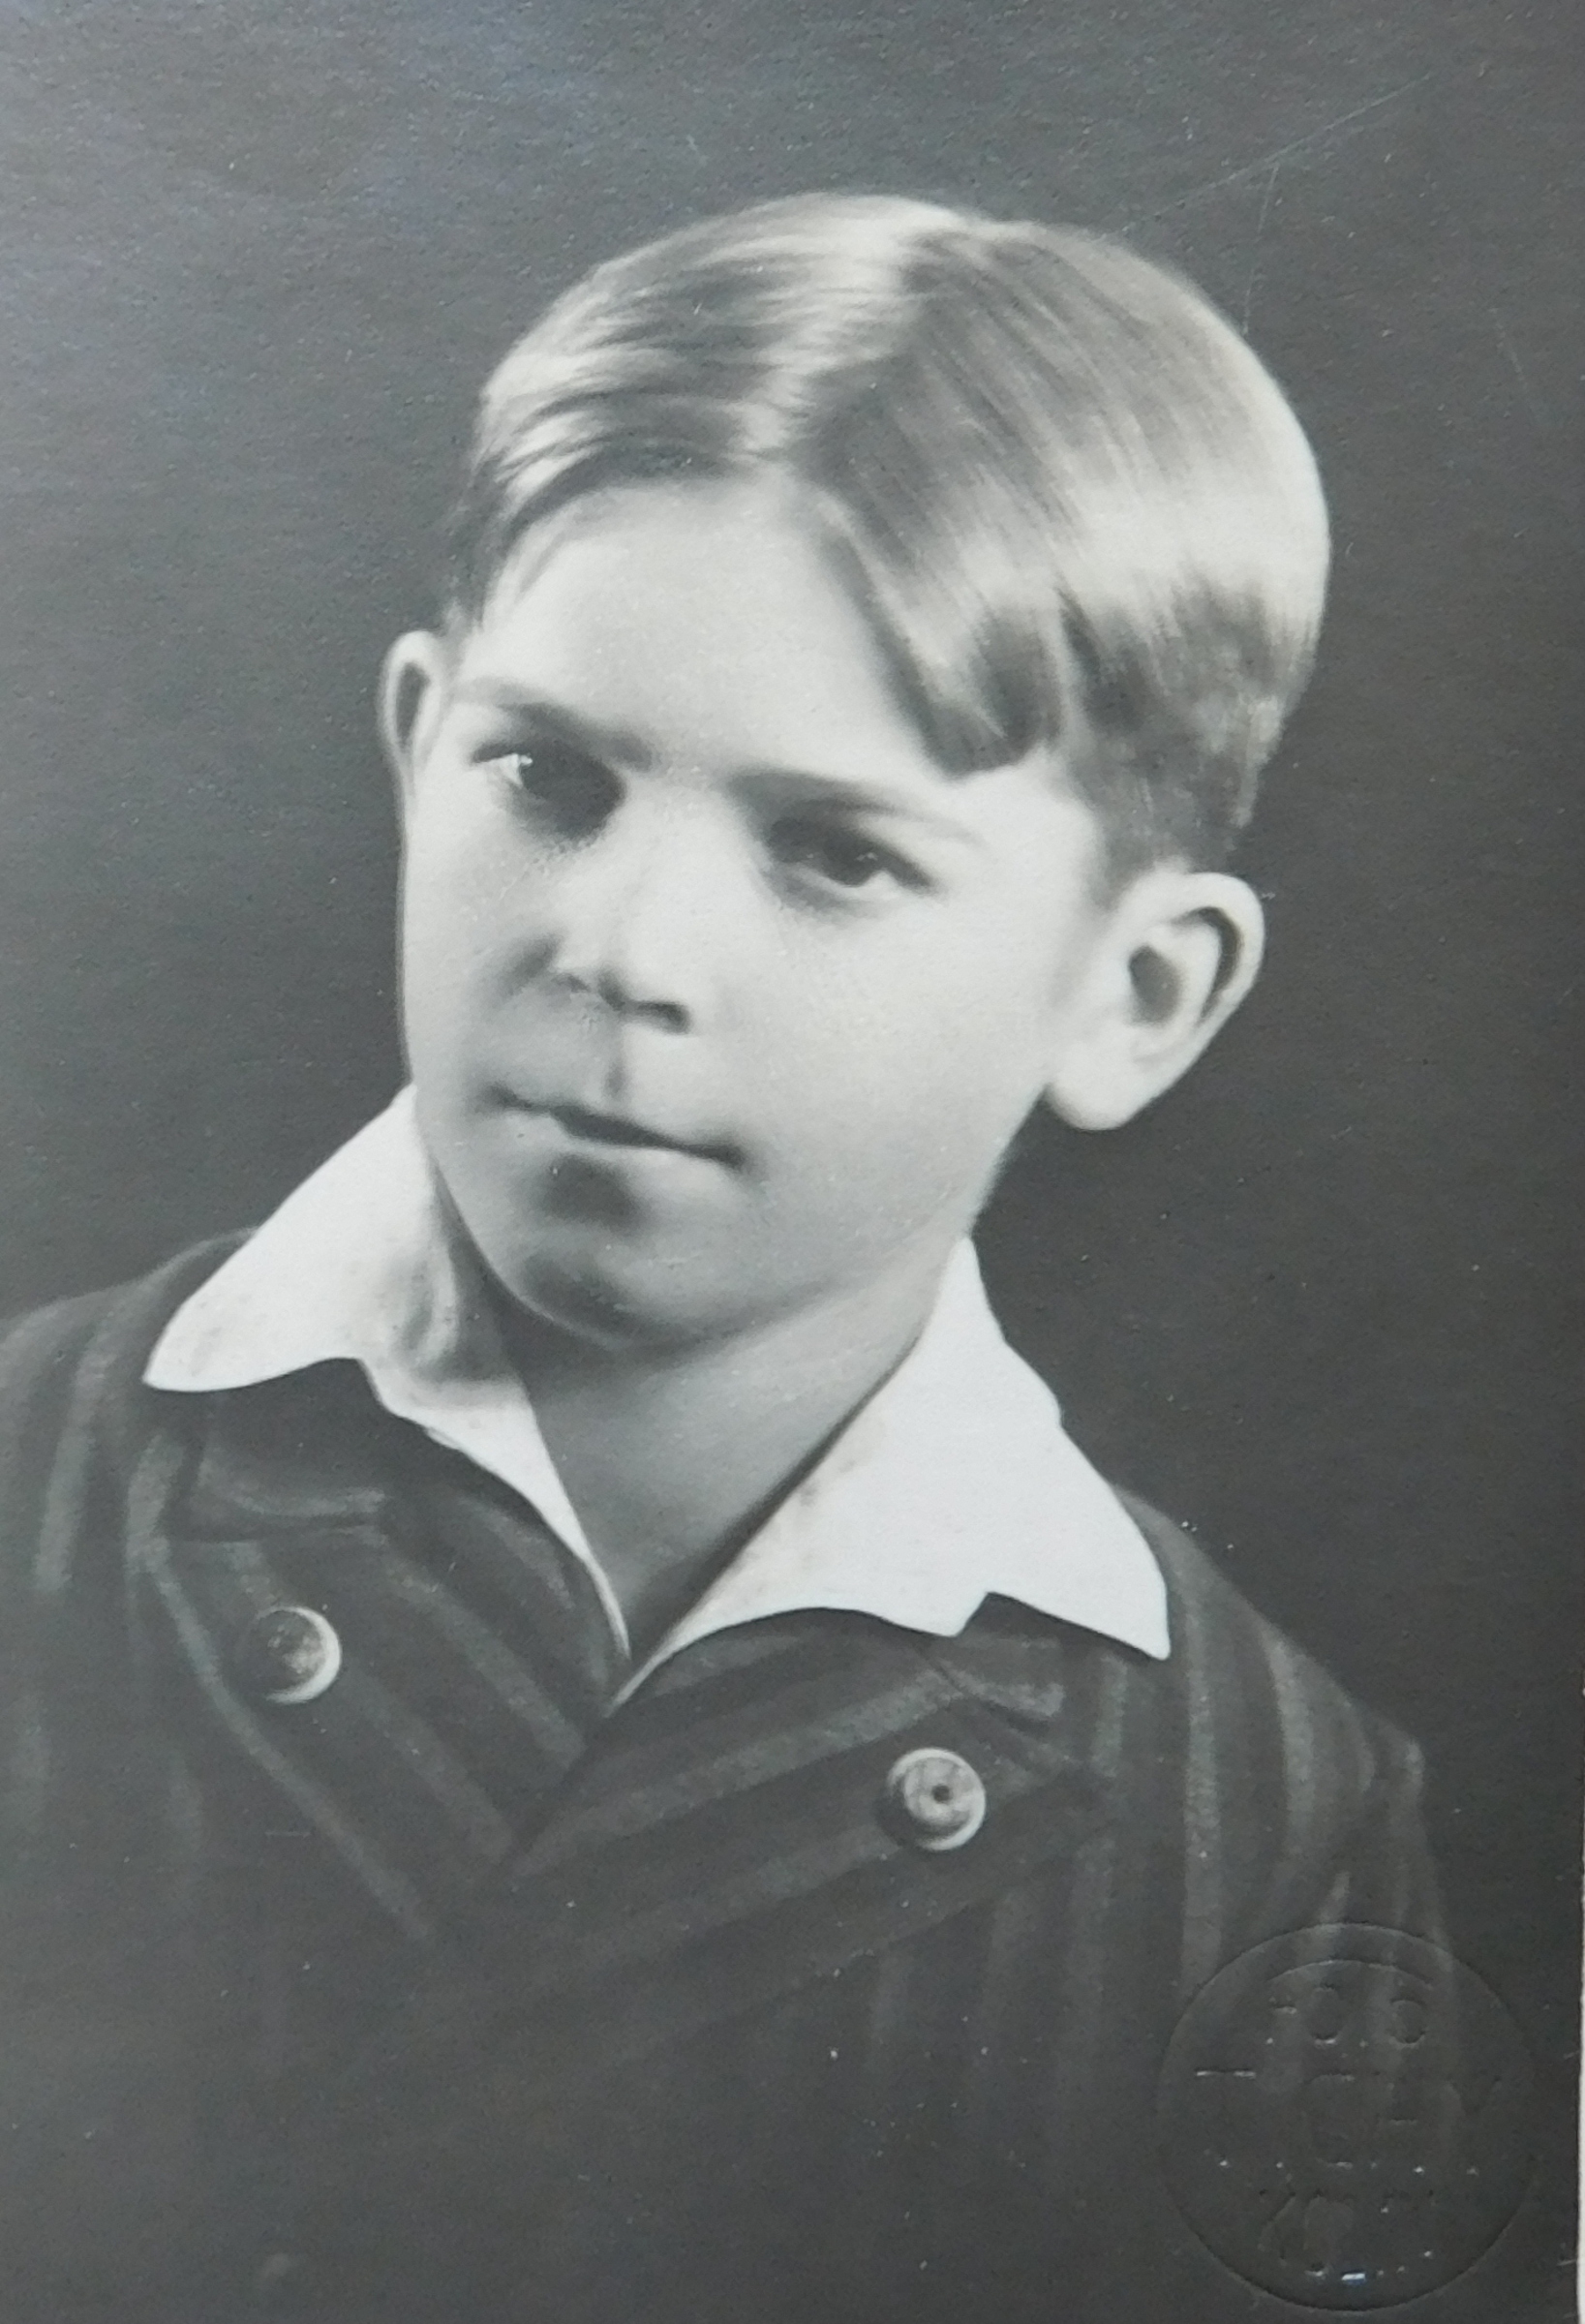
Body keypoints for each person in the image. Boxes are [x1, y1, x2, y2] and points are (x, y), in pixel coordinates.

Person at [0, 194, 1445, 2323]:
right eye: (548, 777)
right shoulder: (37, 1479)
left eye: (833, 852)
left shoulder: (1262, 1832)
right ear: (414, 747)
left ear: (1136, 993)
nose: (619, 945)